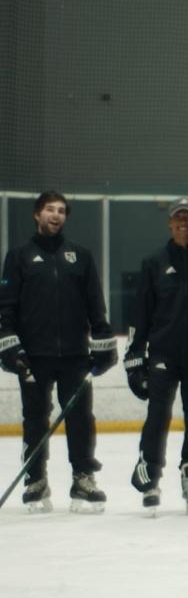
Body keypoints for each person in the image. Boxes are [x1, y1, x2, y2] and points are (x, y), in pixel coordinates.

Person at [0, 190, 118, 513]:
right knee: (35, 420)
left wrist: (104, 344)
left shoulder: (81, 257)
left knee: (80, 418)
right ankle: (35, 480)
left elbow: (96, 306)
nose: (56, 215)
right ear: (37, 215)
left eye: (61, 211)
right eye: (49, 209)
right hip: (34, 357)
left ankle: (83, 478)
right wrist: (10, 348)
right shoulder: (19, 257)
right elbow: (6, 309)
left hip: (75, 355)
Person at [124, 198, 188, 514]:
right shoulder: (153, 262)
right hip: (163, 353)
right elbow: (140, 314)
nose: (183, 222)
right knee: (158, 414)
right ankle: (150, 474)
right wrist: (135, 357)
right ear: (170, 222)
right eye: (178, 217)